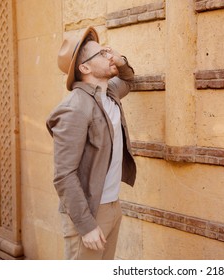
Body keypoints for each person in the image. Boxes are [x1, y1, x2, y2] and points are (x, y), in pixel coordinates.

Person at [46, 26, 136, 260]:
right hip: (88, 213)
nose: (109, 56)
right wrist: (86, 225)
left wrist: (119, 59)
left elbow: (128, 78)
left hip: (111, 207)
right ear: (84, 68)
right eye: (101, 54)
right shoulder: (74, 108)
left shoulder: (110, 93)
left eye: (106, 50)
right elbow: (64, 175)